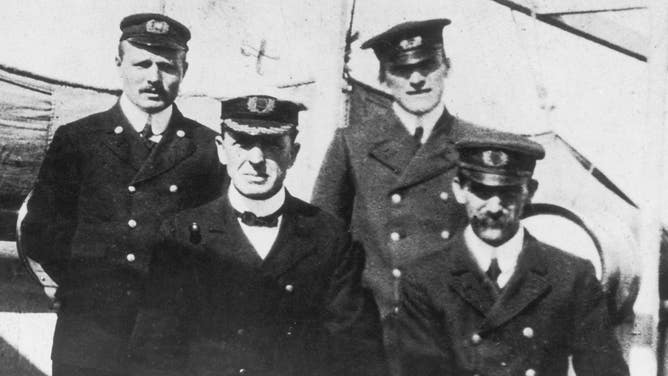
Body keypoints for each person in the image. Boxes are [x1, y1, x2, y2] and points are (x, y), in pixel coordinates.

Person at [20, 13, 226, 376]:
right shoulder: (79, 139)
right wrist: (79, 290)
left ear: (184, 70)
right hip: (89, 335)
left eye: (166, 66)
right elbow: (41, 229)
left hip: (171, 341)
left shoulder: (208, 148)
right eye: (141, 63)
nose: (153, 77)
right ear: (118, 64)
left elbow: (221, 242)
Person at [128, 95, 387, 376]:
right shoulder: (181, 234)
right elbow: (154, 349)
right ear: (221, 149)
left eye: (273, 145)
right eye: (241, 143)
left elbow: (356, 351)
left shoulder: (329, 236)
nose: (256, 159)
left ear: (293, 153)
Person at [311, 18, 487, 370]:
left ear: (446, 67)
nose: (417, 79)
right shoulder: (353, 143)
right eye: (402, 70)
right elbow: (322, 242)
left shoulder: (476, 146)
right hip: (373, 335)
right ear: (383, 78)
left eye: (427, 66)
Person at [397, 130, 629, 375]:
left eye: (508, 192)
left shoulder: (572, 276)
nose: (495, 207)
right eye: (481, 191)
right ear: (459, 189)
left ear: (530, 190)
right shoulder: (425, 278)